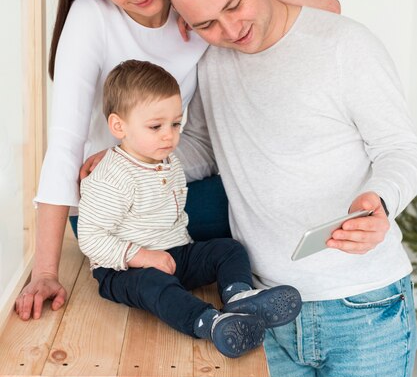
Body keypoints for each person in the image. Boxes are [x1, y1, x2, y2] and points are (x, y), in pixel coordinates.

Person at [15, 0, 339, 321]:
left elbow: (328, 9)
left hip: (168, 185)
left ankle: (242, 298)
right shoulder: (90, 18)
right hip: (113, 212)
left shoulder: (192, 5)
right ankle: (211, 312)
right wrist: (45, 271)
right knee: (263, 205)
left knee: (266, 186)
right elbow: (64, 145)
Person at [161, 0, 417, 377]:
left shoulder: (344, 45)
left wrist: (380, 201)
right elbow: (200, 149)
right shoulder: (212, 64)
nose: (231, 29)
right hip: (266, 308)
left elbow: (400, 148)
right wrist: (135, 161)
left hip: (363, 307)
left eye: (235, 4)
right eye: (207, 23)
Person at [77, 59, 302, 358]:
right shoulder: (111, 177)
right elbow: (91, 238)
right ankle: (211, 322)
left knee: (229, 249)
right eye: (155, 126)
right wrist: (143, 257)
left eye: (175, 124)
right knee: (154, 285)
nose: (169, 135)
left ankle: (239, 297)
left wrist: (175, 255)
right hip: (122, 270)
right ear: (119, 126)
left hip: (175, 252)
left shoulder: (169, 161)